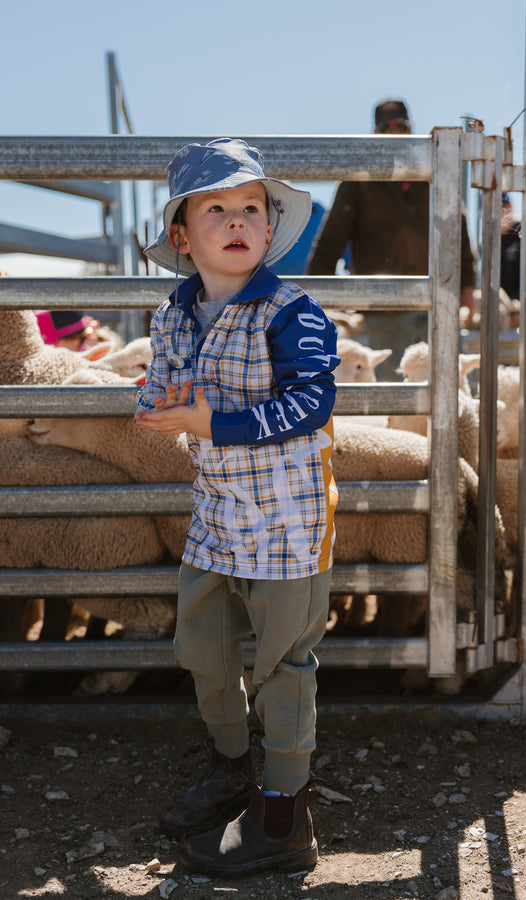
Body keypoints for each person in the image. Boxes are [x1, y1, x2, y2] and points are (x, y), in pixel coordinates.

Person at [135, 139, 340, 877]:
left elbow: (314, 402)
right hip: (218, 510)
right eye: (214, 207)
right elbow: (160, 384)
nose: (236, 219)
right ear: (183, 238)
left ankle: (285, 816)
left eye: (251, 207)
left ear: (268, 227)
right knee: (206, 648)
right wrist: (154, 408)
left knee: (284, 660)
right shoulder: (175, 315)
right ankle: (231, 774)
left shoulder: (292, 312)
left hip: (288, 517)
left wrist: (210, 423)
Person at [307, 98, 477, 376]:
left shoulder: (435, 174)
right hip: (385, 308)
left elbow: (459, 234)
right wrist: (314, 302)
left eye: (402, 126)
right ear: (377, 133)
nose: (396, 133)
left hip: (438, 301)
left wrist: (468, 287)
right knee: (393, 386)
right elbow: (329, 243)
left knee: (451, 382)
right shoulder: (358, 179)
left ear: (411, 129)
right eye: (389, 127)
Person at [500, 192, 521, 300]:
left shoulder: (522, 231)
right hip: (499, 303)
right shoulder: (489, 241)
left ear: (509, 208)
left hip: (523, 302)